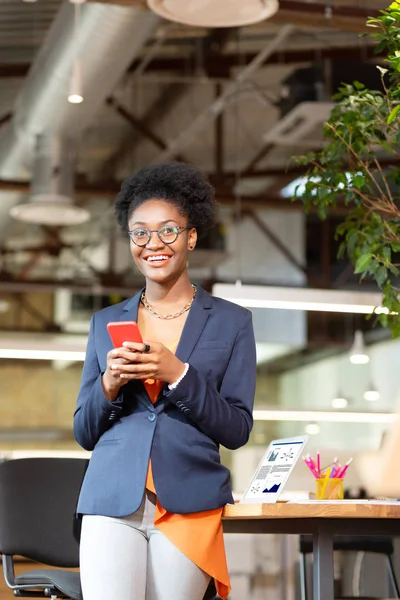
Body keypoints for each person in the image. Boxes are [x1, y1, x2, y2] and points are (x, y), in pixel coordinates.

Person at [73, 162, 257, 600]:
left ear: (191, 236)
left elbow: (236, 429)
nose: (153, 243)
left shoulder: (233, 322)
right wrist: (110, 385)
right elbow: (83, 430)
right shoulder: (104, 323)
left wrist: (179, 374)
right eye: (140, 233)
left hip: (189, 501)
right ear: (130, 240)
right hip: (111, 498)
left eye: (168, 231)